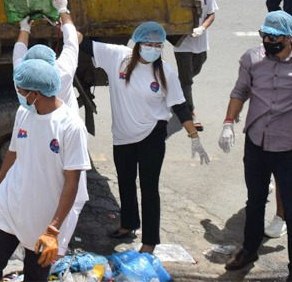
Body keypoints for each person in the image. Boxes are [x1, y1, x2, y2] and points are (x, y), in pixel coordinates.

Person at [217, 11, 292, 280]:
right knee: (254, 201)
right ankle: (249, 249)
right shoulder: (252, 59)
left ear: (289, 38)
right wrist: (228, 123)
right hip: (256, 143)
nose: (267, 40)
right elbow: (240, 91)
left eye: (274, 36)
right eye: (264, 35)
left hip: (287, 149)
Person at [82, 21, 209, 254]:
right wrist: (64, 20)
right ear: (138, 43)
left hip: (152, 135)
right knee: (125, 181)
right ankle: (128, 224)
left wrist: (194, 136)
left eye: (158, 45)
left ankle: (150, 241)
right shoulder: (118, 57)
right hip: (122, 136)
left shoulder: (165, 72)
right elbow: (85, 44)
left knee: (149, 187)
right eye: (148, 44)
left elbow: (180, 106)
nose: (153, 48)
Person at [0, 59, 90, 281]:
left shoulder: (70, 126)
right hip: (9, 207)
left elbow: (72, 182)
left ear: (36, 93)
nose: (18, 94)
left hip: (42, 220)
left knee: (35, 276)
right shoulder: (23, 112)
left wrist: (53, 230)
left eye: (21, 91)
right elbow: (13, 152)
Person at [11, 0, 80, 114]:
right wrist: (63, 9)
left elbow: (18, 53)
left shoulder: (22, 77)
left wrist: (24, 29)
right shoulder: (64, 70)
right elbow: (72, 40)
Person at [172, 0, 218, 128]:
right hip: (183, 44)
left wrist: (202, 28)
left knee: (193, 72)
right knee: (187, 81)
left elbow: (211, 14)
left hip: (200, 42)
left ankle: (175, 89)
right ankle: (189, 112)